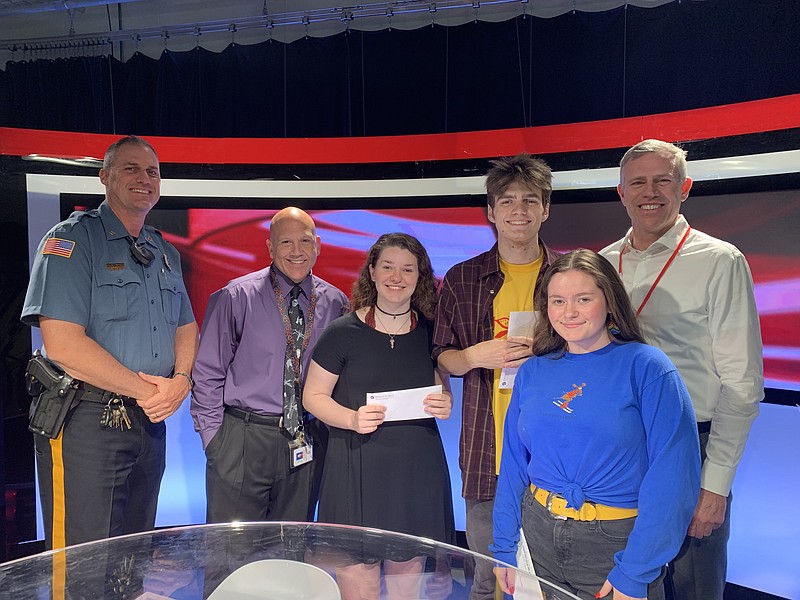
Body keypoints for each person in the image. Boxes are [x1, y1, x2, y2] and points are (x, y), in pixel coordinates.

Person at [599, 140, 764, 600]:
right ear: (621, 192)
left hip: (693, 444)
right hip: (620, 450)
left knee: (691, 587)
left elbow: (743, 384)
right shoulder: (602, 264)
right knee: (628, 585)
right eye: (638, 182)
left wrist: (714, 487)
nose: (650, 192)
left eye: (662, 180)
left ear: (684, 188)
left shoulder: (719, 260)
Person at [491, 249, 701, 600]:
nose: (568, 312)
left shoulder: (648, 367)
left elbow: (673, 477)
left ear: (609, 300)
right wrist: (502, 546)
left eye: (583, 299)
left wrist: (636, 570)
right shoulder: (533, 370)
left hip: (614, 546)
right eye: (557, 301)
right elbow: (513, 464)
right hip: (536, 536)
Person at [21, 135, 198, 549]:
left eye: (152, 172)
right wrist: (151, 393)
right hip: (85, 420)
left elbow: (185, 325)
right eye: (131, 169)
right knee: (83, 559)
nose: (144, 179)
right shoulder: (72, 241)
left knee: (133, 555)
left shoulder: (163, 251)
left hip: (147, 424)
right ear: (104, 176)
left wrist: (181, 381)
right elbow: (63, 345)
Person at [432, 153, 560, 599]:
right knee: (488, 581)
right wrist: (472, 356)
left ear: (546, 208)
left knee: (548, 583)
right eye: (508, 201)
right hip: (488, 457)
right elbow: (442, 356)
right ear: (491, 211)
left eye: (530, 200)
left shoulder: (571, 275)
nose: (519, 211)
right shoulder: (463, 278)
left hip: (556, 456)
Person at [303, 233, 456, 599]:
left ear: (420, 277)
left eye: (408, 269)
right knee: (360, 583)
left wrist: (446, 401)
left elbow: (441, 388)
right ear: (372, 271)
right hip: (355, 469)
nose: (397, 277)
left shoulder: (433, 333)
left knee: (407, 584)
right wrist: (353, 419)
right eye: (387, 267)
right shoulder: (342, 333)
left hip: (415, 474)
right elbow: (313, 397)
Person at [191, 207, 348, 523]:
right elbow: (207, 372)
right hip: (244, 438)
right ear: (270, 247)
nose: (297, 252)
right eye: (286, 242)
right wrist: (216, 443)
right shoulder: (236, 297)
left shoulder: (336, 302)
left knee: (292, 546)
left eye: (304, 241)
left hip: (306, 436)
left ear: (317, 244)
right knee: (231, 550)